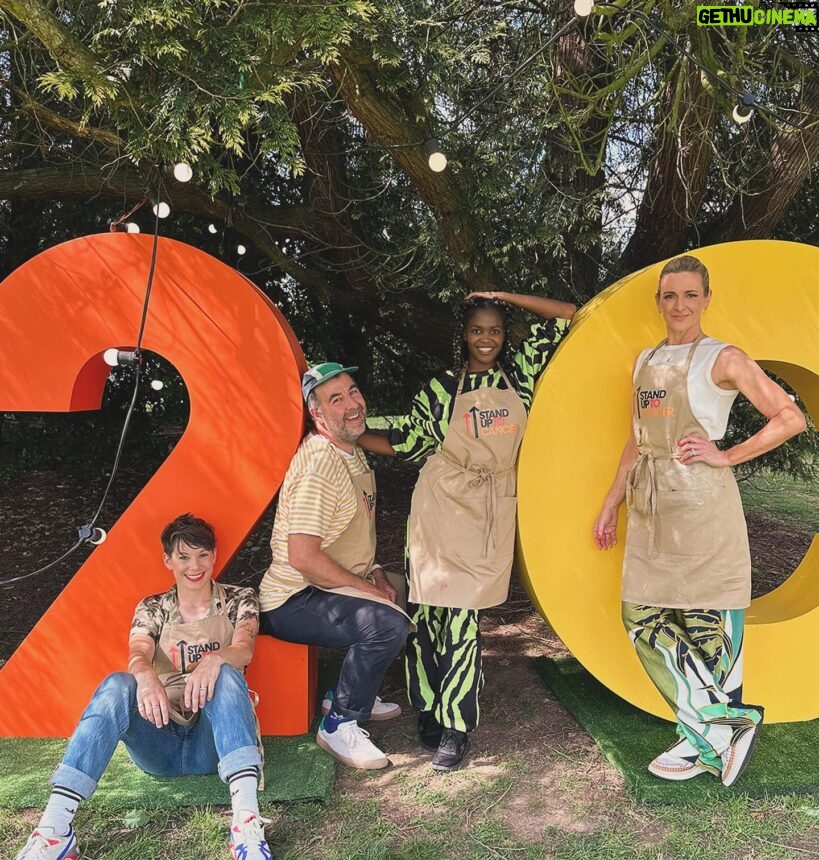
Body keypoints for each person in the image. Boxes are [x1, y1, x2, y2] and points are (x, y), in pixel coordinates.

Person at [593, 255, 806, 786]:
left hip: (702, 502)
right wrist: (612, 499)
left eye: (690, 295)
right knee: (642, 615)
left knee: (705, 621)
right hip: (652, 501)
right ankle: (724, 727)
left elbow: (790, 417)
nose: (679, 305)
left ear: (706, 299)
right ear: (659, 301)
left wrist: (726, 455)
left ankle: (702, 741)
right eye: (669, 296)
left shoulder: (724, 357)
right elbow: (636, 435)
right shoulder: (645, 359)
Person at [2, 514, 274, 860]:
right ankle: (54, 831)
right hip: (159, 741)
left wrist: (215, 661)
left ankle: (246, 825)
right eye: (183, 557)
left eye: (201, 555)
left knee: (229, 674)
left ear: (214, 556)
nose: (193, 566)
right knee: (117, 683)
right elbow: (138, 651)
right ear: (168, 561)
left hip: (213, 744)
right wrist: (144, 675)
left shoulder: (239, 598)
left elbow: (244, 646)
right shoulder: (153, 607)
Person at [358, 291, 577, 771]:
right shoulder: (442, 388)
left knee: (462, 621)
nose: (486, 339)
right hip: (438, 508)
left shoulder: (519, 376)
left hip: (489, 509)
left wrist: (503, 296)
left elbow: (567, 315)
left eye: (495, 330)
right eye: (477, 329)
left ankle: (457, 727)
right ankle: (430, 711)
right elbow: (408, 439)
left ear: (505, 336)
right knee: (428, 619)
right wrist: (345, 434)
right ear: (464, 334)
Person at [258, 362, 412, 770]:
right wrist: (368, 590)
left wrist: (376, 571)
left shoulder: (351, 450)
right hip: (291, 597)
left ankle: (347, 690)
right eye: (336, 399)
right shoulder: (318, 467)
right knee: (386, 623)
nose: (352, 405)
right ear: (318, 414)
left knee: (409, 589)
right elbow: (302, 557)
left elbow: (352, 533)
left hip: (324, 584)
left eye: (353, 392)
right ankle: (339, 720)